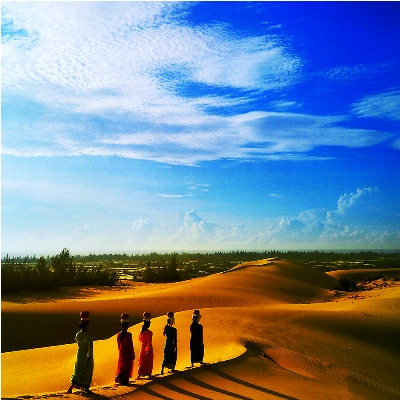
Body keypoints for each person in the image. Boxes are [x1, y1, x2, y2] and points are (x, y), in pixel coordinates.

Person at [68, 311, 94, 393]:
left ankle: (71, 387)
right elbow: (90, 347)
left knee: (78, 371)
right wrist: (89, 356)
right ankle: (86, 388)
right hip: (86, 355)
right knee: (87, 371)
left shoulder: (77, 335)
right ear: (86, 325)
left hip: (79, 355)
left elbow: (78, 342)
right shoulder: (89, 335)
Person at [115, 313, 135, 385]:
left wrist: (120, 351)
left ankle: (120, 377)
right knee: (127, 366)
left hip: (121, 352)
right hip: (127, 352)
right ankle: (124, 379)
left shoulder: (119, 334)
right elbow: (130, 345)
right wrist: (132, 353)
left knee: (122, 365)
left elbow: (118, 345)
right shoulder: (129, 335)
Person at [137, 311, 153, 379]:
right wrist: (148, 349)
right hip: (148, 348)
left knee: (142, 361)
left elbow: (140, 339)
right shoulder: (150, 333)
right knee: (148, 361)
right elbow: (149, 342)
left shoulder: (141, 332)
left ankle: (140, 373)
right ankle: (148, 373)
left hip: (142, 348)